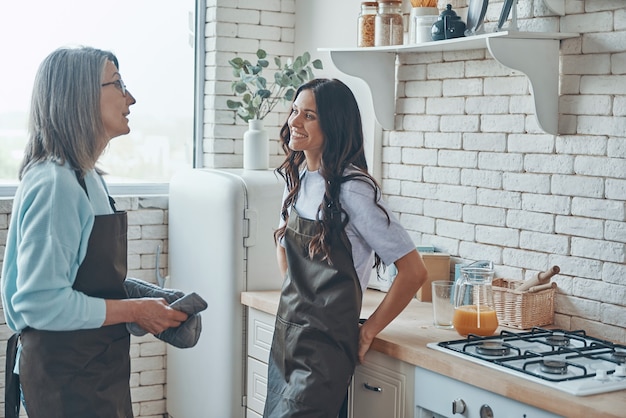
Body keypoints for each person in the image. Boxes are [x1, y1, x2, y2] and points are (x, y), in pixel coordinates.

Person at [1, 46, 189, 418]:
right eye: (117, 84)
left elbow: (83, 280)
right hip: (65, 383)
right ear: (80, 96)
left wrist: (145, 299)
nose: (130, 97)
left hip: (97, 372)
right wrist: (135, 309)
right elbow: (39, 303)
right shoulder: (55, 184)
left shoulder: (88, 179)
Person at [264, 78, 429, 417]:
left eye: (309, 115)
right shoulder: (297, 178)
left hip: (325, 347)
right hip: (287, 336)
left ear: (334, 124)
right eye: (295, 110)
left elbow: (414, 272)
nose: (294, 122)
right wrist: (296, 295)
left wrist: (369, 329)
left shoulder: (353, 189)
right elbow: (284, 245)